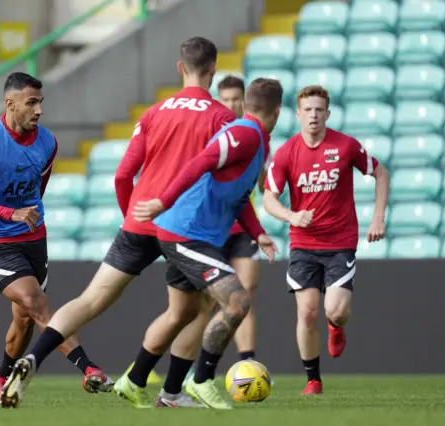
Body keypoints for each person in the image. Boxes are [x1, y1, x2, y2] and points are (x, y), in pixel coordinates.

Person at [0, 37, 237, 409]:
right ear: (213, 70)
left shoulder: (154, 113)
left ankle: (33, 358)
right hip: (181, 228)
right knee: (195, 307)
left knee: (91, 299)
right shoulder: (223, 118)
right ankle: (171, 391)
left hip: (138, 220)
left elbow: (123, 175)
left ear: (179, 68)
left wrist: (132, 217)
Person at [114, 77, 284, 410]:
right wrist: (164, 201)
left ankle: (142, 385)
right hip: (186, 233)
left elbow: (239, 198)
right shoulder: (244, 134)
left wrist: (257, 232)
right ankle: (202, 380)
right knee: (237, 301)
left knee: (186, 311)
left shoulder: (258, 141)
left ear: (248, 103)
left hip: (194, 233)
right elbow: (201, 161)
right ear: (277, 111)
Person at [0, 72, 112, 404]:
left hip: (32, 237)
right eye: (31, 103)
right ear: (11, 104)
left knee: (24, 318)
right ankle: (88, 368)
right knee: (36, 302)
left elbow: (37, 189)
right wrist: (9, 213)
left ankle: (1, 374)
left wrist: (23, 216)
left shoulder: (47, 142)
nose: (39, 110)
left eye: (41, 103)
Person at [262, 85, 389, 395]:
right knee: (306, 312)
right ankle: (313, 381)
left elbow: (381, 174)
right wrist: (291, 216)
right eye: (308, 110)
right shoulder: (287, 153)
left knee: (335, 310)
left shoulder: (345, 146)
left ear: (328, 113)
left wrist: (378, 218)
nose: (314, 115)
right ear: (298, 114)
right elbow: (268, 198)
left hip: (339, 242)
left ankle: (336, 327)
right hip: (303, 243)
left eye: (319, 110)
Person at [168, 74, 270, 391]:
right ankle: (178, 370)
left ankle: (246, 362)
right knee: (197, 306)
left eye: (236, 99)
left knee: (244, 293)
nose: (231, 105)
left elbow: (259, 183)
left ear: (245, 101)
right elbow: (195, 170)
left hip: (240, 228)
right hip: (206, 232)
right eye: (224, 99)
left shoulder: (257, 139)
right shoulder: (218, 135)